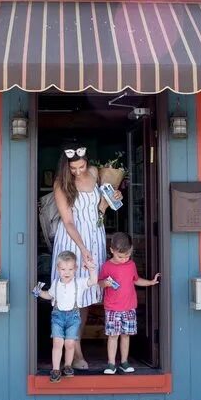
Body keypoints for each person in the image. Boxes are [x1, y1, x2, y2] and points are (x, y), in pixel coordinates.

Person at [51, 146, 121, 368]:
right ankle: (75, 353)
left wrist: (113, 197)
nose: (78, 172)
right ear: (66, 167)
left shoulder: (93, 172)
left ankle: (76, 343)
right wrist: (81, 248)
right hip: (73, 239)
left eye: (81, 166)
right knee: (69, 294)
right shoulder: (61, 184)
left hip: (94, 236)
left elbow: (99, 208)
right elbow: (69, 221)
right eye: (73, 168)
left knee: (87, 293)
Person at [98, 232, 159, 374]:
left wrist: (150, 282)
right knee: (113, 336)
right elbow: (100, 282)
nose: (124, 259)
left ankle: (124, 362)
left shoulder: (131, 265)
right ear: (112, 250)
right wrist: (105, 283)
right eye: (120, 256)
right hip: (112, 308)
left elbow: (135, 280)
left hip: (129, 307)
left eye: (127, 256)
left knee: (126, 335)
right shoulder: (107, 266)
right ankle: (111, 363)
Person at [35, 251, 99, 383]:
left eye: (70, 269)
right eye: (63, 269)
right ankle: (56, 369)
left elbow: (93, 281)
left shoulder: (79, 283)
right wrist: (39, 292)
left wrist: (92, 269)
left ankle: (68, 366)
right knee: (57, 342)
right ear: (58, 269)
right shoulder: (56, 283)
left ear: (75, 269)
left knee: (70, 343)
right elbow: (49, 295)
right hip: (58, 316)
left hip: (73, 316)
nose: (67, 272)